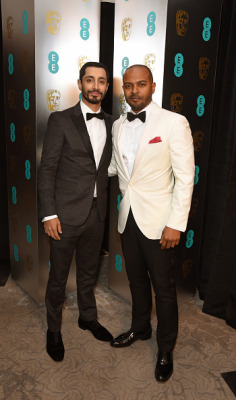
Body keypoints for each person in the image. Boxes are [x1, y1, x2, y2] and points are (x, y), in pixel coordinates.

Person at [108, 65, 194, 382]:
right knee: (136, 280)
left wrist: (175, 224)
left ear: (153, 86)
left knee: (164, 289)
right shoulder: (118, 125)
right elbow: (115, 168)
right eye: (128, 86)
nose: (134, 91)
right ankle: (141, 328)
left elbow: (185, 179)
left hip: (160, 222)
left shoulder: (174, 123)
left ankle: (166, 347)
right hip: (128, 217)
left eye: (140, 84)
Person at [38, 61, 113, 362]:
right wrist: (48, 214)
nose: (96, 86)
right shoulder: (60, 120)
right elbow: (46, 171)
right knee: (57, 278)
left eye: (102, 81)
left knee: (88, 273)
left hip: (97, 214)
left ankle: (87, 317)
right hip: (64, 216)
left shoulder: (112, 122)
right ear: (80, 84)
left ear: (107, 87)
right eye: (90, 80)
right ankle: (53, 329)